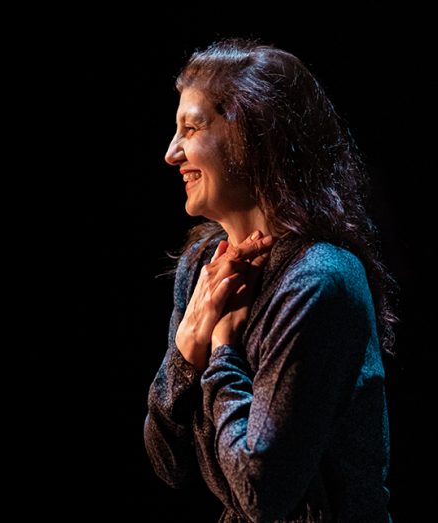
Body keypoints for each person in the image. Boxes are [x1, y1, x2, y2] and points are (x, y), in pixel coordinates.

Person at [144, 38, 397, 523]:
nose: (171, 153)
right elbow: (167, 463)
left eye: (191, 128)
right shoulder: (203, 267)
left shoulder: (320, 279)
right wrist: (185, 354)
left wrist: (222, 351)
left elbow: (260, 492)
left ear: (252, 134)